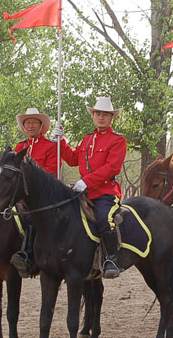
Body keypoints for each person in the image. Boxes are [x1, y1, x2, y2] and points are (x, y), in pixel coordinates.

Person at [0, 107, 59, 277]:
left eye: (34, 122)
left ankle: (28, 255)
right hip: (20, 194)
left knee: (30, 217)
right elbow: (6, 170)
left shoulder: (51, 146)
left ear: (41, 126)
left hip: (41, 197)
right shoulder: (20, 146)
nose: (30, 126)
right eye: (27, 123)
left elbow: (52, 172)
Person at [52, 97, 127, 278]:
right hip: (83, 193)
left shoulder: (117, 140)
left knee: (104, 219)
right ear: (93, 116)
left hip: (105, 193)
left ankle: (111, 259)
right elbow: (71, 159)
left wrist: (87, 181)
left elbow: (112, 167)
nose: (101, 118)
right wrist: (61, 140)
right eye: (98, 114)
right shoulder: (87, 140)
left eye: (105, 115)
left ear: (111, 118)